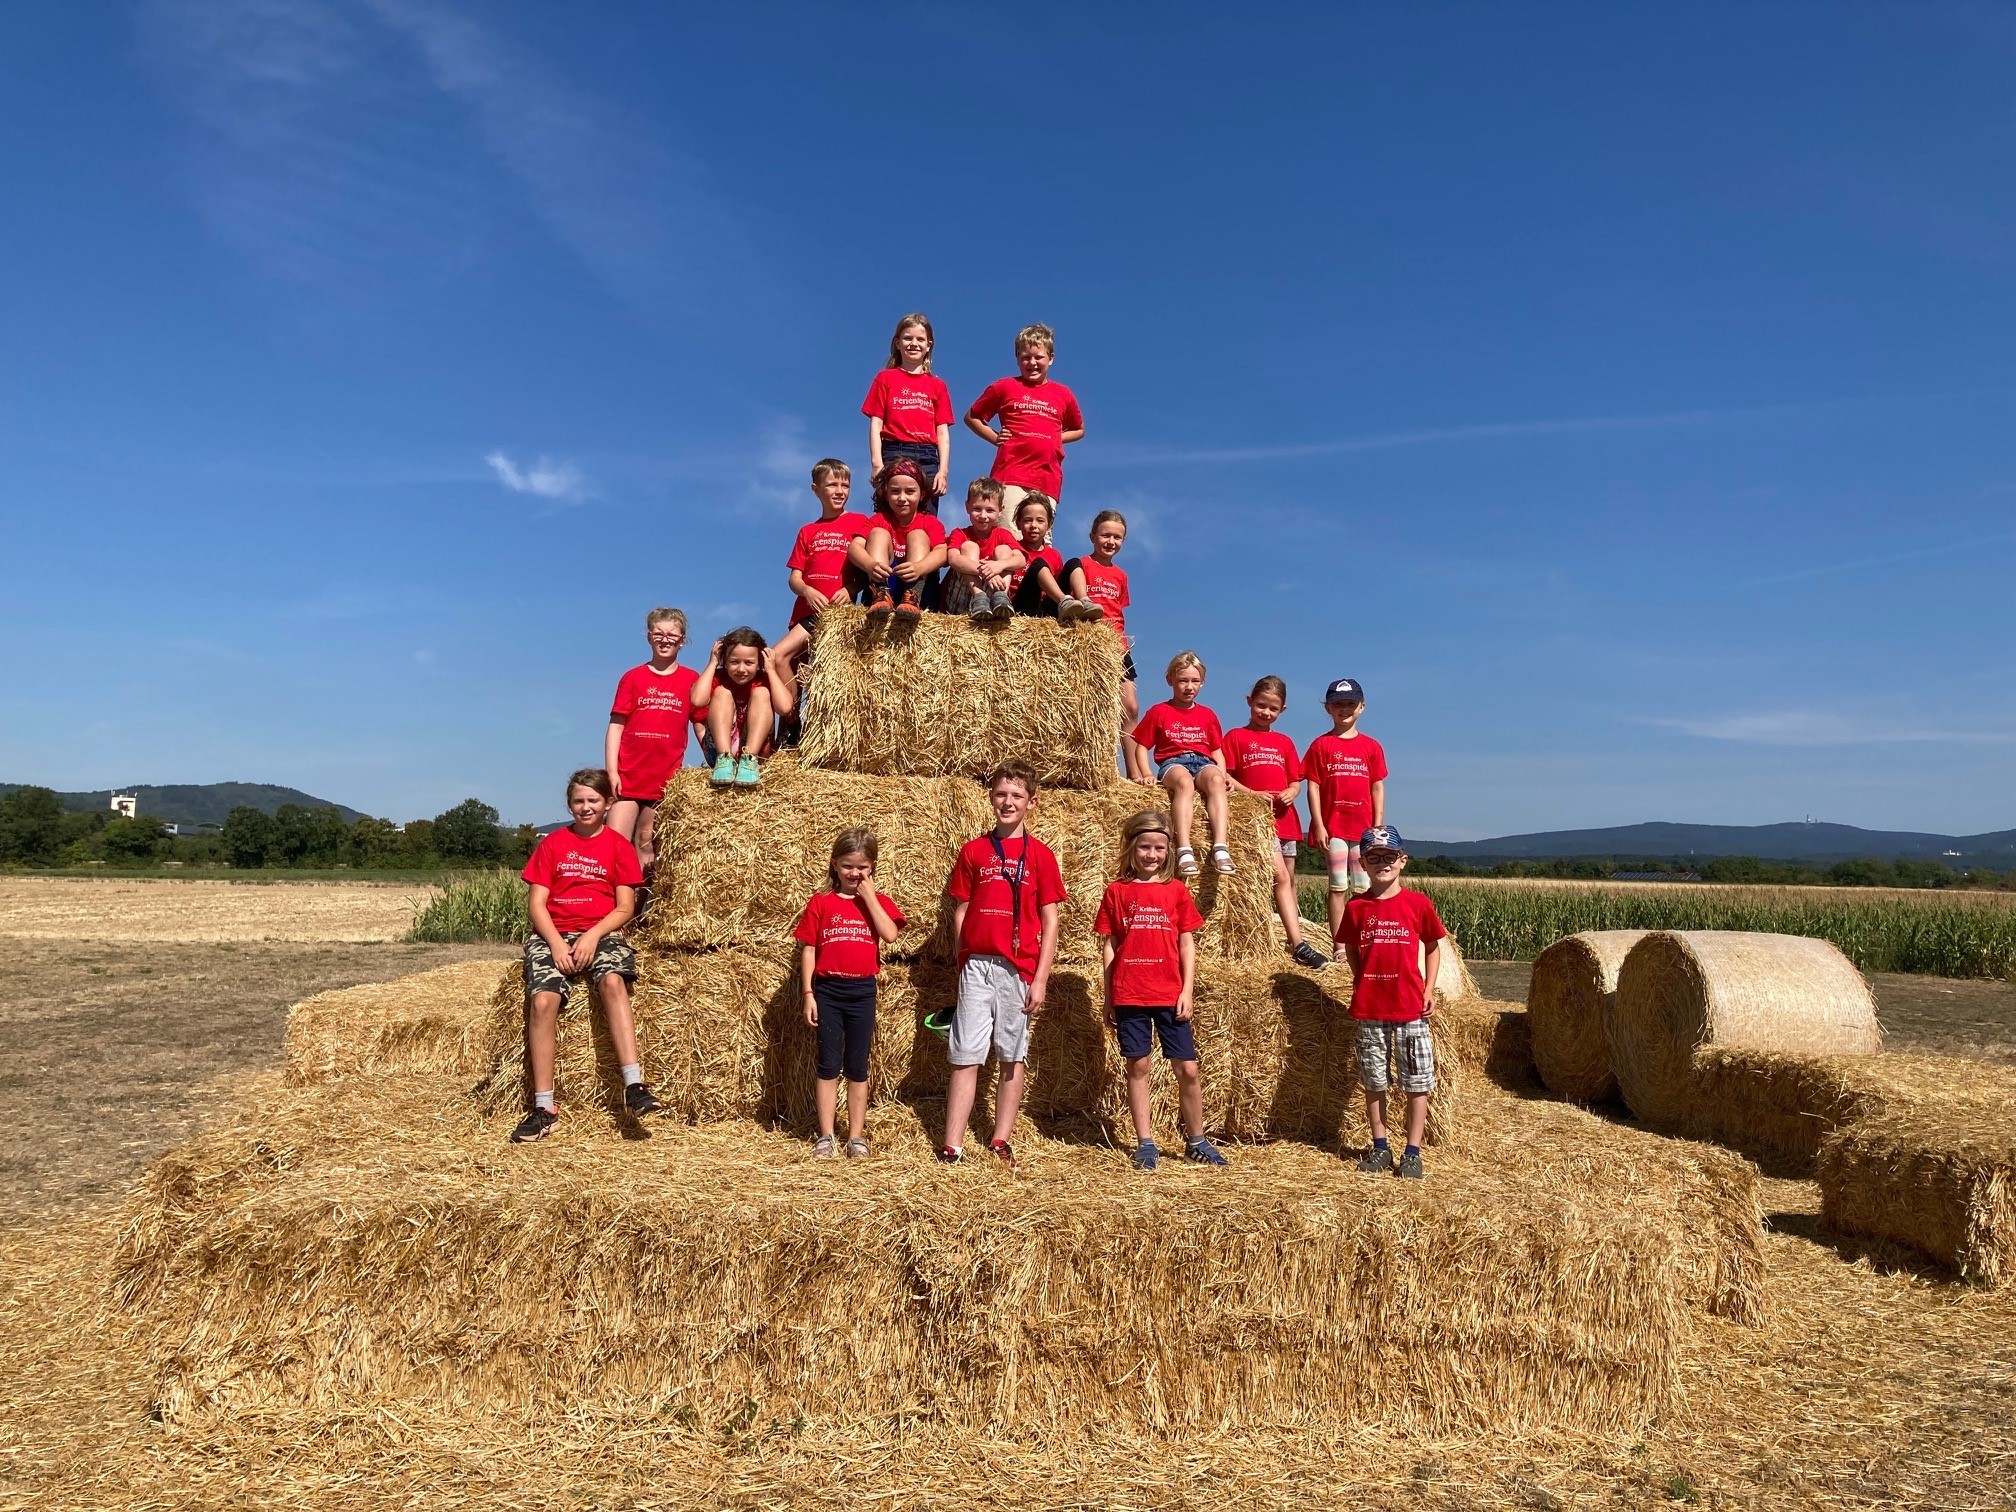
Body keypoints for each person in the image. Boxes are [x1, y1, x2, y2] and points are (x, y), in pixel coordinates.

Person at [511, 768, 656, 1143]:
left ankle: (634, 1084)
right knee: (543, 1002)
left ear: (608, 804)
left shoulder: (618, 847)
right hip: (553, 933)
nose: (585, 807)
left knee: (612, 982)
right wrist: (557, 944)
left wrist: (592, 936)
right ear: (569, 804)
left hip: (602, 930)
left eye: (593, 800)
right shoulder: (553, 844)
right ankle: (544, 1108)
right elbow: (536, 905)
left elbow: (625, 907)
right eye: (578, 801)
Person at [938, 758, 1065, 1167]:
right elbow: (961, 910)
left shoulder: (1041, 856)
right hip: (977, 964)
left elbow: (1050, 920)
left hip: (1018, 968)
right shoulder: (974, 850)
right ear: (991, 798)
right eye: (1001, 795)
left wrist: (1040, 979)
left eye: (1017, 796)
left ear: (1031, 802)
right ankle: (953, 1144)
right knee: (965, 1052)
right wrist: (963, 958)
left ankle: (1000, 1139)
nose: (1008, 803)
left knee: (1012, 1053)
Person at [1096, 810, 1228, 1170]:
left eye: (1159, 848)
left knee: (1188, 1069)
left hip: (1170, 994)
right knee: (1138, 1065)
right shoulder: (1116, 892)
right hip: (1130, 993)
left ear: (1168, 850)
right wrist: (1109, 996)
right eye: (1144, 847)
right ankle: (1145, 1143)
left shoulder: (1177, 891)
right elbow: (1110, 946)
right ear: (1131, 848)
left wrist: (1187, 990)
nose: (1151, 855)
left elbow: (1186, 943)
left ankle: (1197, 1141)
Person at [1338, 825, 1444, 1180]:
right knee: (1374, 1080)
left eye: (1389, 856)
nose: (1382, 863)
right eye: (1374, 857)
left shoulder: (1418, 904)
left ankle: (1412, 1152)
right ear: (1363, 864)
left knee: (1417, 1080)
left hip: (1410, 1007)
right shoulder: (1356, 907)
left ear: (1403, 861)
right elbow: (1351, 947)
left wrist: (1428, 989)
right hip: (1370, 1007)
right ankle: (1380, 1146)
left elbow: (1432, 947)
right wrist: (1360, 978)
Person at [794, 826, 905, 1160]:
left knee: (857, 1064)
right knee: (828, 1063)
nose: (854, 873)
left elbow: (890, 934)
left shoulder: (878, 903)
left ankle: (856, 1136)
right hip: (828, 991)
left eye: (862, 867)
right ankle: (826, 1135)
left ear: (872, 867)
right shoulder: (821, 902)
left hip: (862, 992)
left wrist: (869, 897)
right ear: (834, 864)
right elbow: (809, 949)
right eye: (847, 866)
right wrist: (808, 992)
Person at [1222, 676, 1330, 970]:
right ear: (1249, 702)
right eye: (1261, 706)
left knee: (1288, 880)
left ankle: (1290, 934)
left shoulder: (1284, 742)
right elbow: (1224, 775)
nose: (1266, 713)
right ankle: (1298, 943)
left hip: (1285, 820)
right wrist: (1251, 794)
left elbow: (1295, 780)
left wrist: (1292, 792)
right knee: (1277, 877)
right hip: (1257, 821)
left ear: (1282, 710)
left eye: (1273, 709)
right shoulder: (1235, 737)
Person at [605, 607, 698, 884]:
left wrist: (718, 758)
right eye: (658, 634)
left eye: (672, 635)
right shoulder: (633, 677)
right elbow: (616, 726)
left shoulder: (691, 679)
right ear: (649, 637)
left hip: (664, 778)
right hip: (628, 775)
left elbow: (700, 724)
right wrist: (612, 772)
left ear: (682, 640)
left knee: (646, 843)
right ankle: (611, 905)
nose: (665, 639)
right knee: (616, 844)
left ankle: (636, 906)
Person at [1128, 651, 1234, 878]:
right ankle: (1185, 849)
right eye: (1183, 681)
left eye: (1195, 681)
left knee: (1215, 780)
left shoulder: (1208, 715)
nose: (1189, 687)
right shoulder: (1159, 711)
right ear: (1170, 680)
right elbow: (1141, 746)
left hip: (1203, 762)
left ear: (1202, 683)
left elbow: (1216, 750)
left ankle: (1220, 847)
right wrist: (1147, 773)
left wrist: (1223, 775)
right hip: (1173, 762)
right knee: (1185, 783)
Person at [1303, 677, 1388, 955]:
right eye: (1338, 704)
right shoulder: (1321, 745)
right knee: (1338, 885)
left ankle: (1363, 941)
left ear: (1362, 707)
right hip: (1334, 827)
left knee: (1363, 887)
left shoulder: (1371, 746)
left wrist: (1378, 825)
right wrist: (1318, 824)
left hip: (1364, 829)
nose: (1344, 709)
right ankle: (1339, 945)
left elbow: (1377, 786)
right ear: (1327, 708)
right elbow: (1313, 787)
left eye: (1350, 703)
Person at [964, 322, 1084, 512]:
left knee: (1039, 529)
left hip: (1047, 480)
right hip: (1010, 476)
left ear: (1051, 358)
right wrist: (995, 437)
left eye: (1039, 357)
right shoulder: (1004, 387)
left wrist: (1056, 438)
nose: (1032, 363)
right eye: (1025, 358)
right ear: (1017, 359)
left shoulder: (1063, 394)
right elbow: (972, 417)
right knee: (1008, 528)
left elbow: (1078, 429)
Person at [772, 459, 869, 677]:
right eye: (832, 485)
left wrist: (851, 589)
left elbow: (868, 571)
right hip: (806, 612)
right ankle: (791, 702)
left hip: (836, 612)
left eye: (845, 486)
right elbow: (794, 579)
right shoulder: (807, 531)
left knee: (787, 659)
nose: (840, 491)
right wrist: (807, 591)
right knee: (785, 664)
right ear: (815, 489)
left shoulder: (859, 521)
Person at [1056, 509, 1139, 739]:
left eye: (1117, 537)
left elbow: (1118, 610)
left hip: (1117, 644)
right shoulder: (1080, 565)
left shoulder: (1121, 575)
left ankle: (1133, 762)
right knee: (1091, 706)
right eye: (1105, 535)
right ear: (1092, 536)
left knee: (1130, 707)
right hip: (1089, 639)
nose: (1111, 541)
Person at [863, 313, 953, 513]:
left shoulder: (938, 385)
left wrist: (943, 471)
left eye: (920, 339)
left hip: (927, 455)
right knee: (889, 515)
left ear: (928, 345)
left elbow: (942, 432)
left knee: (926, 516)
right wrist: (877, 464)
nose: (914, 344)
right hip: (893, 451)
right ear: (897, 343)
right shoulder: (885, 378)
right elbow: (876, 424)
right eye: (908, 338)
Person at [691, 627, 797, 789]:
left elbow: (784, 708)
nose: (741, 669)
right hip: (718, 754)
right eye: (734, 662)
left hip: (757, 754)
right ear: (724, 661)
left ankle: (749, 759)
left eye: (749, 663)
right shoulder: (719, 677)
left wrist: (770, 670)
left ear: (759, 663)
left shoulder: (764, 679)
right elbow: (697, 700)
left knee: (762, 692)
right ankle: (725, 759)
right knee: (721, 692)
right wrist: (713, 663)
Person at [853, 459, 948, 619]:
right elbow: (855, 547)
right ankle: (880, 593)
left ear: (922, 494)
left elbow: (943, 551)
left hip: (922, 592)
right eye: (895, 491)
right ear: (886, 493)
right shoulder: (878, 519)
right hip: (885, 581)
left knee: (917, 535)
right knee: (878, 533)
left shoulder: (930, 522)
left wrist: (920, 567)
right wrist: (870, 565)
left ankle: (912, 595)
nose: (902, 498)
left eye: (910, 492)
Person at [943, 477, 1026, 621]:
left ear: (1001, 511)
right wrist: (986, 572)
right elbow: (953, 559)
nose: (983, 516)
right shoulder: (960, 533)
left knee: (1004, 550)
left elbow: (1021, 560)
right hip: (962, 600)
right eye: (977, 509)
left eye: (990, 510)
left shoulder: (1003, 534)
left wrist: (999, 565)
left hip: (994, 595)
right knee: (969, 546)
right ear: (967, 506)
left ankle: (1001, 597)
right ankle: (979, 597)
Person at [1005, 492, 1067, 617]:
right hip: (1020, 607)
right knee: (1038, 564)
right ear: (1018, 523)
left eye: (1040, 521)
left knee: (1074, 564)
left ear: (1049, 525)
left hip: (1046, 611)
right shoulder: (1012, 549)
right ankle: (1064, 602)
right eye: (1027, 520)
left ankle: (1077, 605)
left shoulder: (1054, 556)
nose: (1033, 526)